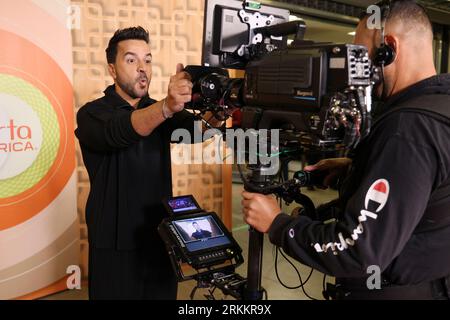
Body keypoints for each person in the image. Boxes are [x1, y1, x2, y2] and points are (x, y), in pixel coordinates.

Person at [242, 0, 450, 300]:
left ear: (389, 48)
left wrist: (278, 224)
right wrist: (360, 168)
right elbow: (428, 193)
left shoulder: (408, 129)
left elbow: (358, 249)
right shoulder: (439, 107)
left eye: (360, 56)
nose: (357, 73)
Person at [76, 26, 201, 299]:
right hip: (114, 241)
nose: (142, 68)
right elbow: (121, 131)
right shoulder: (91, 114)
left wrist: (218, 108)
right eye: (131, 60)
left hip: (160, 235)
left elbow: (197, 130)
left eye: (147, 59)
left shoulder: (162, 109)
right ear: (112, 69)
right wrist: (167, 107)